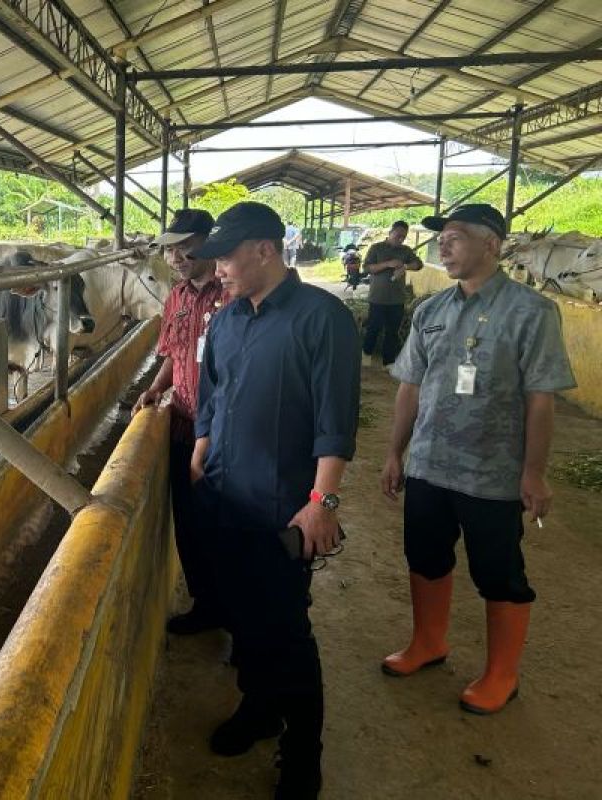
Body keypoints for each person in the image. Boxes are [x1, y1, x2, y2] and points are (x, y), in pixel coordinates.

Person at [190, 202, 360, 800]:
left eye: (227, 257)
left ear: (265, 249)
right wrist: (201, 446)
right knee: (242, 616)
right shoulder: (229, 319)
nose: (219, 270)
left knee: (286, 631)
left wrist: (323, 501)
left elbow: (336, 421)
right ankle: (258, 710)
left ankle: (302, 755)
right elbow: (212, 391)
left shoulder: (323, 318)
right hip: (225, 494)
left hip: (284, 506)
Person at [380, 204, 576, 715]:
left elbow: (541, 398)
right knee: (424, 556)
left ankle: (501, 674)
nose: (443, 246)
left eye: (456, 237)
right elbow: (410, 387)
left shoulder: (531, 311)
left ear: (492, 245)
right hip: (428, 464)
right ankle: (428, 642)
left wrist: (533, 472)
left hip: (492, 473)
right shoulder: (431, 311)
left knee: (498, 572)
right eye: (441, 238)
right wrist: (395, 453)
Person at [133, 208, 225, 634]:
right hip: (186, 423)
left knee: (234, 522)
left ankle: (245, 613)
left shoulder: (235, 292)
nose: (175, 259)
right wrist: (155, 388)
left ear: (210, 242)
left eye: (184, 248)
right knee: (189, 522)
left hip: (230, 431)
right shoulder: (178, 297)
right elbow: (173, 351)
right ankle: (208, 605)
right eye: (170, 251)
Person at [362, 220, 423, 367]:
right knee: (373, 328)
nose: (400, 239)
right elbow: (367, 268)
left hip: (397, 299)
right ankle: (366, 357)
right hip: (378, 298)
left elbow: (419, 264)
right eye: (398, 235)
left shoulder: (406, 251)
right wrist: (387, 264)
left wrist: (406, 265)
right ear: (390, 233)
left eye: (403, 237)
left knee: (392, 332)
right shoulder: (376, 248)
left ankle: (388, 362)